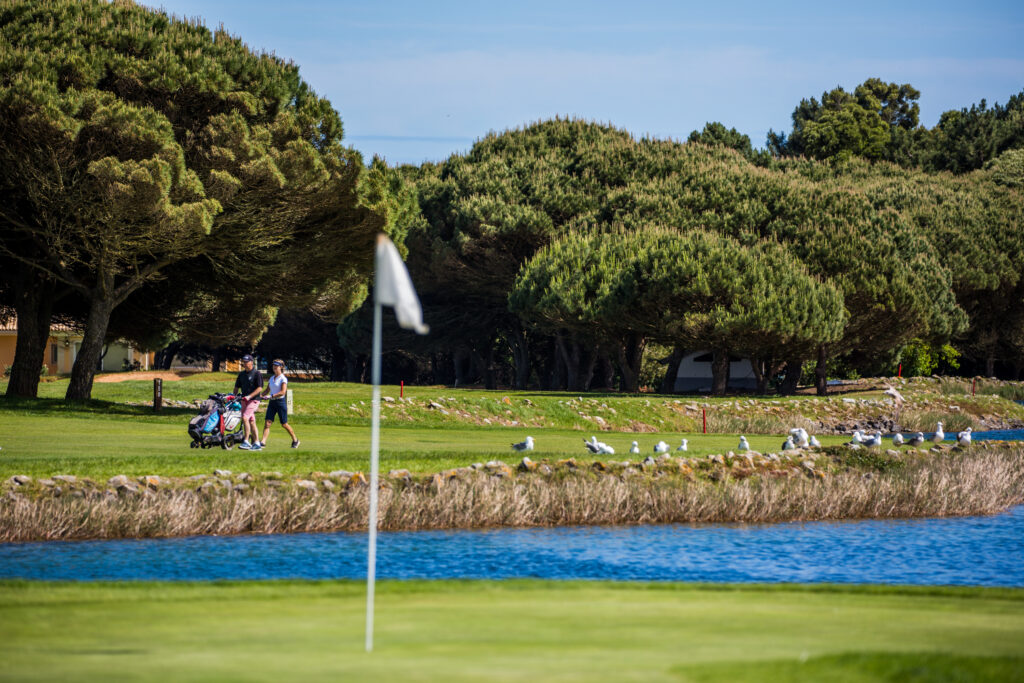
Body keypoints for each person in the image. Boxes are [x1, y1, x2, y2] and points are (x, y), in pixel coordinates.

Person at [260, 359, 299, 449]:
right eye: (274, 365)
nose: (274, 367)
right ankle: (263, 442)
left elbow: (282, 392)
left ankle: (295, 440)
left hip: (280, 403)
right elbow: (267, 390)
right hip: (272, 403)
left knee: (284, 424)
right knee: (267, 423)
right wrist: (260, 396)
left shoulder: (283, 378)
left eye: (277, 365)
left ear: (281, 367)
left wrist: (271, 396)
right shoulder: (271, 378)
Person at [233, 354, 263, 450]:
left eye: (246, 362)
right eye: (244, 362)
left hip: (254, 400)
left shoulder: (257, 373)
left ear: (251, 362)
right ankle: (257, 443)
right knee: (251, 421)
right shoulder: (241, 374)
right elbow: (236, 387)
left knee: (245, 417)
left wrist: (249, 396)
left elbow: (259, 388)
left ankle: (246, 441)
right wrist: (234, 396)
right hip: (244, 400)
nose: (244, 364)